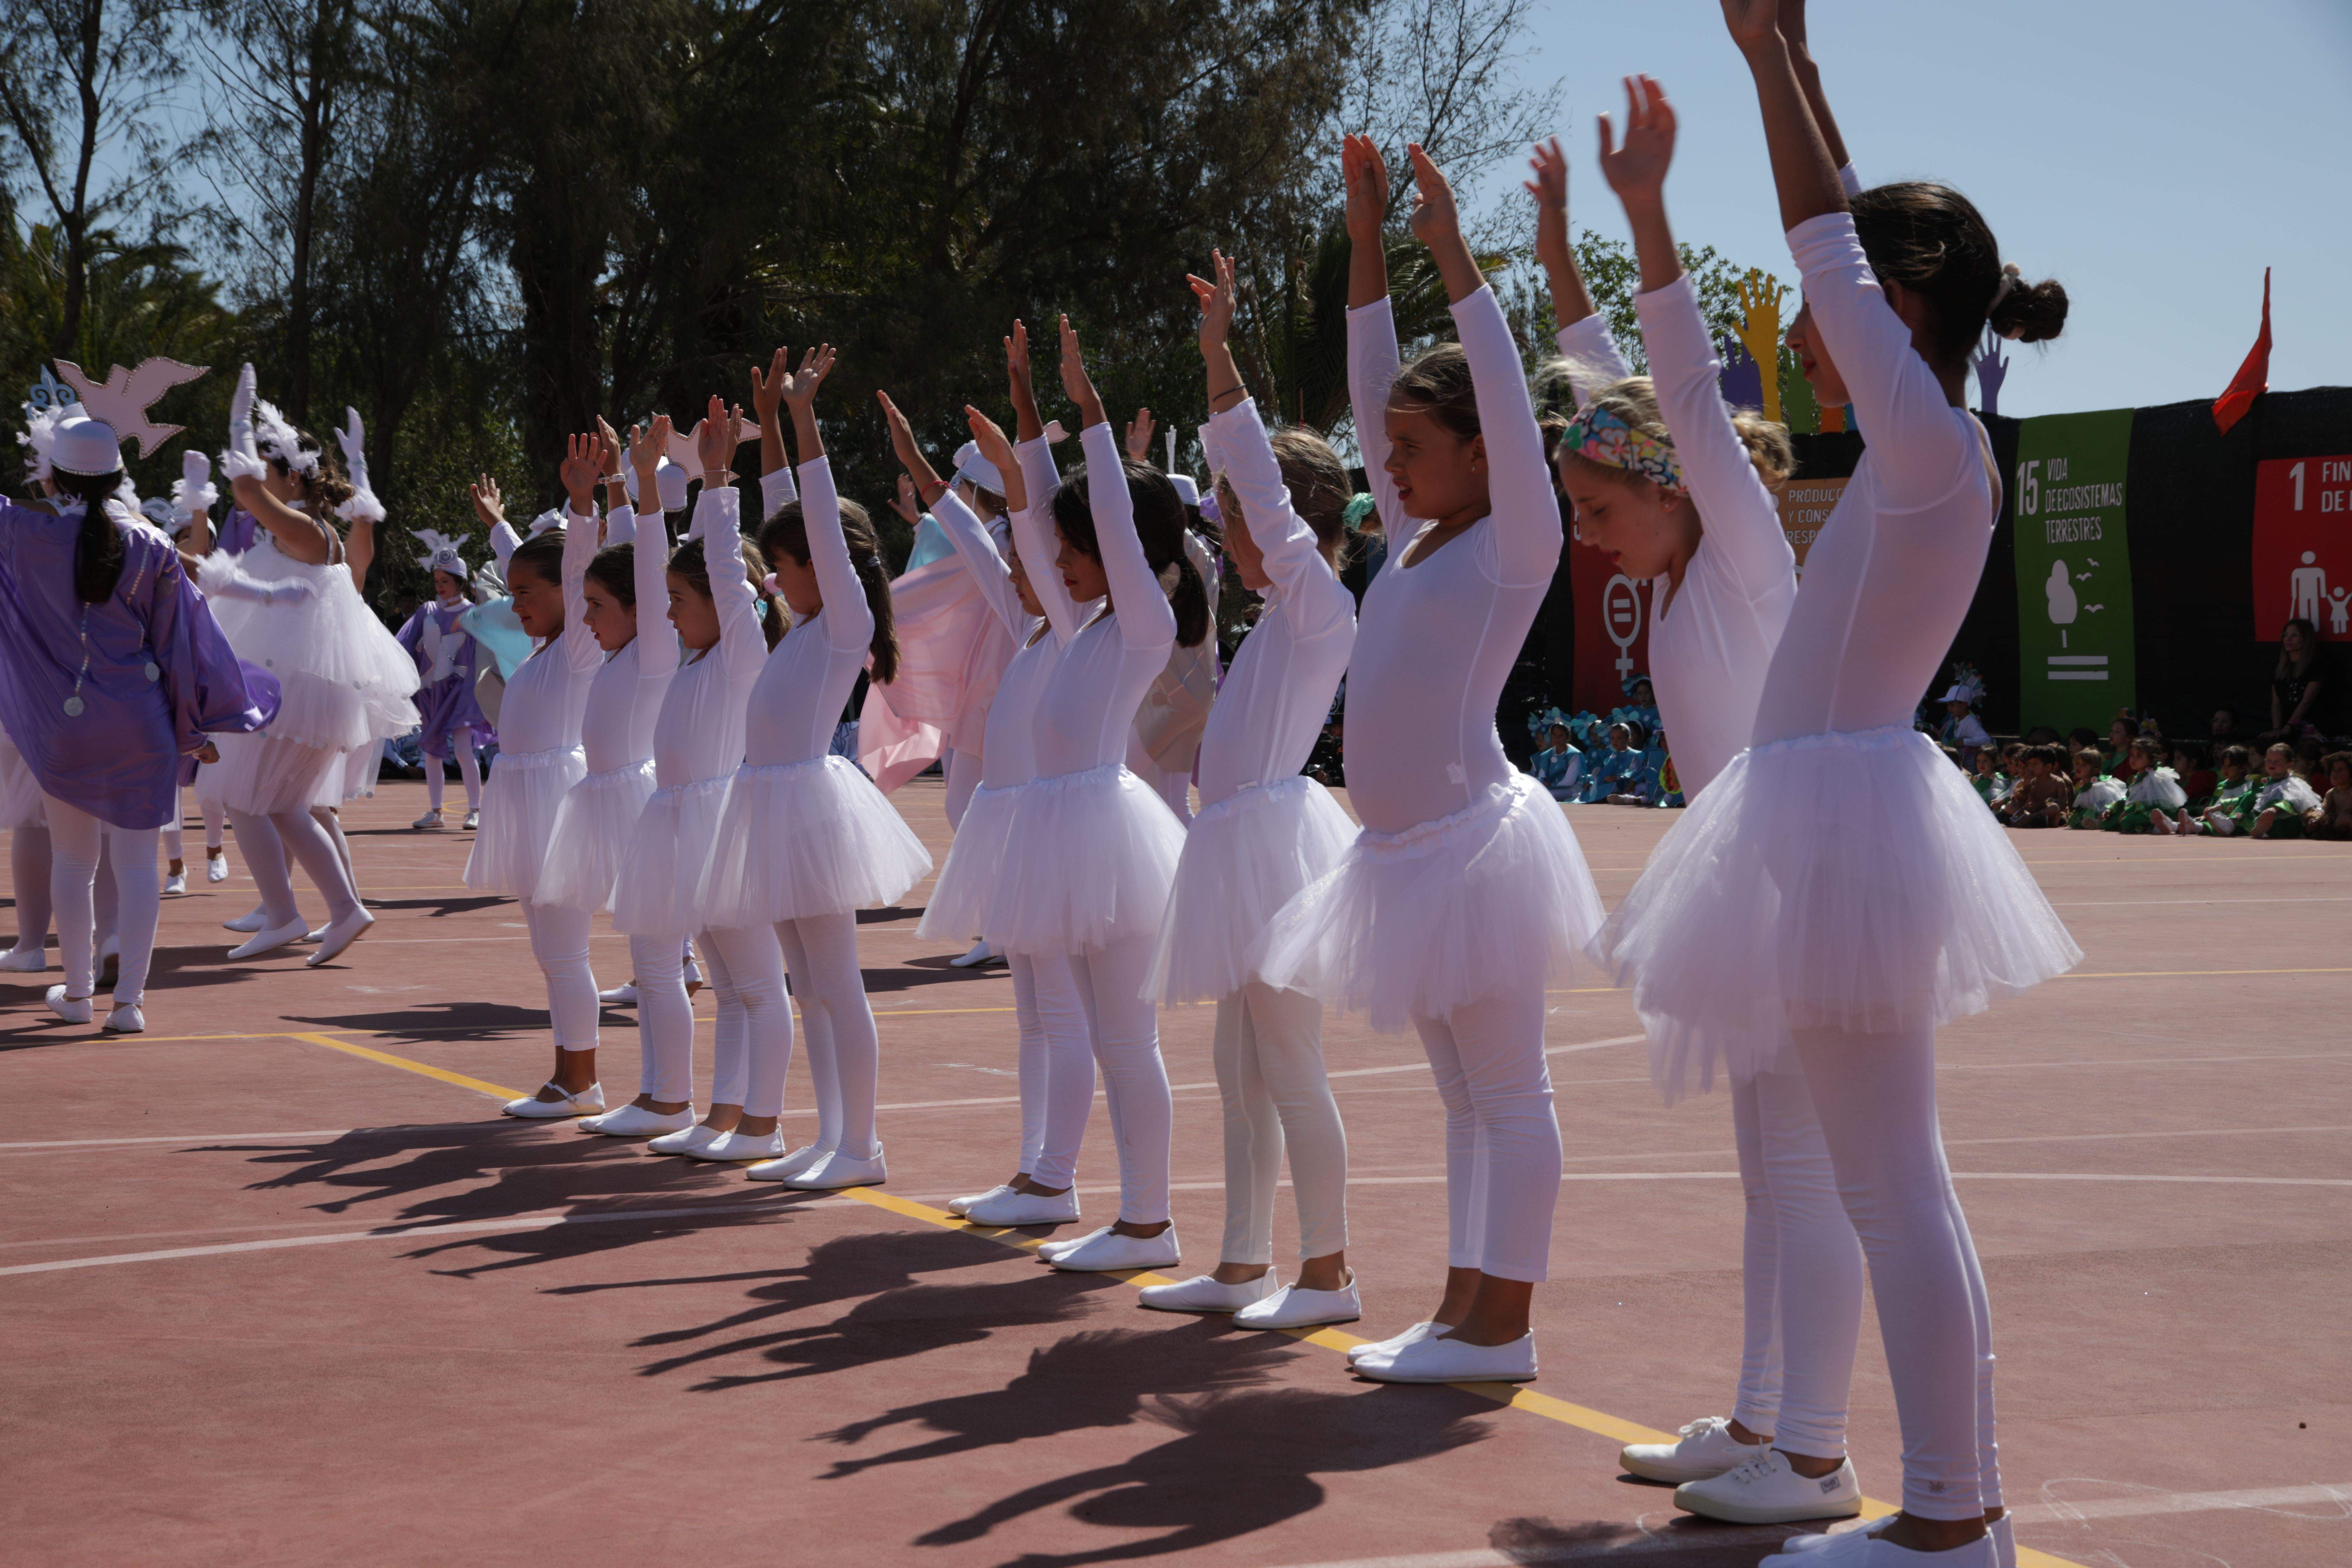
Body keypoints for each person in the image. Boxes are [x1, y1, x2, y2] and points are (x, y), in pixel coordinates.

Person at [1601, 5, 2078, 1556]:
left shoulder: (1931, 443)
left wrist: (1754, 64)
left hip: (1845, 819)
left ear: (1904, 303)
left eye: (1837, 313)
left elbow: (1824, 247)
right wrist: (1795, 69)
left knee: (1891, 1191)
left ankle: (1948, 1516)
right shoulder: (1912, 442)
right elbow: (1843, 233)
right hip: (1823, 820)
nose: (1800, 336)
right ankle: (1932, 1502)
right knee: (1881, 1185)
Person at [1560, 70, 1868, 1523]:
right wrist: (1562, 256)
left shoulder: (1740, 551)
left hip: (1801, 878)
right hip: (1746, 882)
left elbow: (1673, 391)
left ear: (1680, 490)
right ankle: (1762, 1420)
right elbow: (1604, 388)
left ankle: (1814, 1454)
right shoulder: (1678, 568)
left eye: (1600, 509)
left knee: (1808, 1175)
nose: (1589, 538)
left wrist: (1650, 215)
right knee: (1767, 1167)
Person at [1259, 138, 1605, 1386]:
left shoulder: (1511, 540)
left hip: (1470, 846)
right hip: (1403, 854)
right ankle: (1462, 1309)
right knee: (1463, 1099)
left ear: (1475, 449)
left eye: (1410, 447)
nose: (1383, 466)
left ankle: (1502, 1324)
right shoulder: (1410, 536)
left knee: (1509, 1094)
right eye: (1388, 449)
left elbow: (1511, 401)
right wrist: (1364, 246)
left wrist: (1451, 253)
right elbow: (1368, 388)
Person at [1132, 250, 1362, 1328]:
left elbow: (1269, 505)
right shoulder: (1277, 620)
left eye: (1231, 515)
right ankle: (1239, 1263)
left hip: (1271, 847)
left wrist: (1218, 360)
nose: (1227, 534)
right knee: (1238, 1065)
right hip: (1236, 845)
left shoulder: (1316, 604)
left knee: (1287, 1063)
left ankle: (1326, 1272)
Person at [990, 315, 1206, 1276]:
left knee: (1125, 1039)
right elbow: (1047, 527)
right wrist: (1029, 425)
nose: (1061, 562)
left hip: (1108, 840)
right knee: (1102, 1031)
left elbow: (1109, 525)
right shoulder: (1082, 630)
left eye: (1079, 550)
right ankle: (1119, 1210)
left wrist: (1088, 413)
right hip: (1065, 835)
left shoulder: (1146, 624)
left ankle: (1149, 1221)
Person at [698, 350, 934, 1189]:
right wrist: (764, 433)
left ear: (824, 567)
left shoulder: (842, 622)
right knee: (809, 989)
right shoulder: (801, 625)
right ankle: (834, 1136)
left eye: (787, 564)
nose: (778, 575)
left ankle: (861, 1146)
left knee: (837, 984)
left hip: (806, 807)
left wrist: (801, 422)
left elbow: (817, 530)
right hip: (772, 805)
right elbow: (787, 516)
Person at [0, 407, 272, 1030]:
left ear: (52, 477)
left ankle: (75, 996)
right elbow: (184, 643)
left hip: (64, 729)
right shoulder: (152, 544)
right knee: (136, 862)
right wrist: (195, 726)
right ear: (121, 477)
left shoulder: (18, 532)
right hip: (143, 721)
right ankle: (130, 1005)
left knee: (73, 860)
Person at [906, 383, 1091, 1225]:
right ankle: (1031, 1171)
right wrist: (927, 477)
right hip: (1019, 836)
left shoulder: (1079, 626)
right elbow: (986, 545)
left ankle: (1056, 1177)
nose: (1011, 573)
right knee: (1031, 1016)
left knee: (1060, 1013)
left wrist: (1025, 454)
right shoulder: (1029, 631)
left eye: (1030, 563)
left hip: (1058, 837)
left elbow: (1023, 529)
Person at [199, 367, 419, 966]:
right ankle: (334, 911)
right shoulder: (298, 534)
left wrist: (238, 422)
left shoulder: (304, 530)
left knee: (245, 797)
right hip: (288, 684)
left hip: (292, 688)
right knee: (278, 804)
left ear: (290, 477)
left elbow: (247, 495)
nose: (261, 484)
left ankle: (290, 912)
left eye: (270, 472)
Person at [612, 407, 785, 1158]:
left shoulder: (742, 653)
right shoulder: (694, 659)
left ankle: (764, 1123)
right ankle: (724, 1113)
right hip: (687, 828)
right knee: (728, 983)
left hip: (726, 828)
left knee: (758, 985)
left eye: (685, 605)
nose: (672, 616)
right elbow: (657, 580)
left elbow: (719, 565)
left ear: (729, 603)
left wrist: (715, 481)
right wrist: (644, 490)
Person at [540, 420, 693, 1138]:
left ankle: (671, 1096)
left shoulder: (656, 650)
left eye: (600, 609)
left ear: (644, 608)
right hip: (610, 804)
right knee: (648, 962)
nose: (588, 618)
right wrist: (592, 501)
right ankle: (658, 1093)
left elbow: (647, 560)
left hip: (641, 808)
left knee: (660, 967)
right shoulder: (611, 654)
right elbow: (587, 574)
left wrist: (642, 492)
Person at [470, 440, 608, 1118]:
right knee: (551, 953)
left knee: (563, 953)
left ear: (570, 595)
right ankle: (571, 1076)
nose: (513, 602)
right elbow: (526, 568)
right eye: (511, 592)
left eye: (526, 593)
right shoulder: (543, 649)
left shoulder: (580, 646)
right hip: (530, 803)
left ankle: (579, 1081)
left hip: (554, 806)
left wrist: (583, 504)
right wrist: (498, 525)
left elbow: (578, 569)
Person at [396, 530, 494, 830]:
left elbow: (486, 653)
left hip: (463, 692)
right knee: (431, 751)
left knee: (464, 751)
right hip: (432, 693)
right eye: (437, 582)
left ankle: (475, 810)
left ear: (460, 583)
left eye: (446, 582)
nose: (440, 587)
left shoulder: (474, 615)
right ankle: (436, 812)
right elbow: (402, 645)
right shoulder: (426, 611)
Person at [2264, 617, 2330, 745]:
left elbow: (2307, 701)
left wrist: (2290, 726)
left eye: (2294, 635)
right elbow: (2276, 702)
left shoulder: (2316, 664)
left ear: (2306, 639)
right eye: (2286, 635)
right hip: (2284, 726)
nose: (2288, 639)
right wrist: (2277, 729)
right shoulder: (2278, 666)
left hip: (2310, 726)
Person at [2245, 741, 2322, 840]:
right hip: (2272, 829)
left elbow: (2292, 801)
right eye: (2269, 760)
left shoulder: (2293, 782)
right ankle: (2258, 827)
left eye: (2277, 761)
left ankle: (2265, 825)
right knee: (2250, 803)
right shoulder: (2265, 783)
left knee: (2276, 803)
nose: (2272, 764)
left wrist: (2275, 809)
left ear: (2289, 764)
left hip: (2290, 826)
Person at [2105, 736, 2184, 833]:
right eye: (2132, 755)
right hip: (2137, 811)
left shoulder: (2154, 777)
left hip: (2151, 813)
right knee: (2109, 821)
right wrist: (2111, 809)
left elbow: (2153, 804)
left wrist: (2129, 811)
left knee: (2126, 822)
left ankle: (2160, 824)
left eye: (2139, 756)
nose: (2133, 759)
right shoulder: (2139, 776)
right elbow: (2127, 798)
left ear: (2151, 761)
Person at [2180, 744, 2256, 835]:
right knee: (2205, 823)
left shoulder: (2249, 784)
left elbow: (2245, 804)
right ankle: (2174, 826)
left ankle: (2193, 826)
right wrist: (2206, 815)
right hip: (2218, 818)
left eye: (2230, 766)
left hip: (2238, 820)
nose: (2225, 769)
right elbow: (2214, 804)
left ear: (2243, 768)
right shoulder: (2222, 785)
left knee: (2234, 826)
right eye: (2223, 765)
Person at [1530, 722, 1583, 800]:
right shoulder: (1546, 755)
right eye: (1554, 735)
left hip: (1572, 789)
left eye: (1561, 735)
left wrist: (1551, 785)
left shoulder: (1574, 754)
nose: (1557, 738)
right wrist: (1542, 782)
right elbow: (1542, 775)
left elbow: (1570, 781)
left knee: (1544, 796)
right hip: (1551, 788)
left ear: (1568, 737)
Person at [2305, 751, 2352, 839]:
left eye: (2341, 770)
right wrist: (2316, 818)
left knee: (2344, 817)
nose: (2335, 773)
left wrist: (2328, 820)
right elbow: (2323, 809)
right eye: (2333, 769)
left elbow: (2344, 812)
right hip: (2335, 821)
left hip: (2343, 820)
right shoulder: (2331, 792)